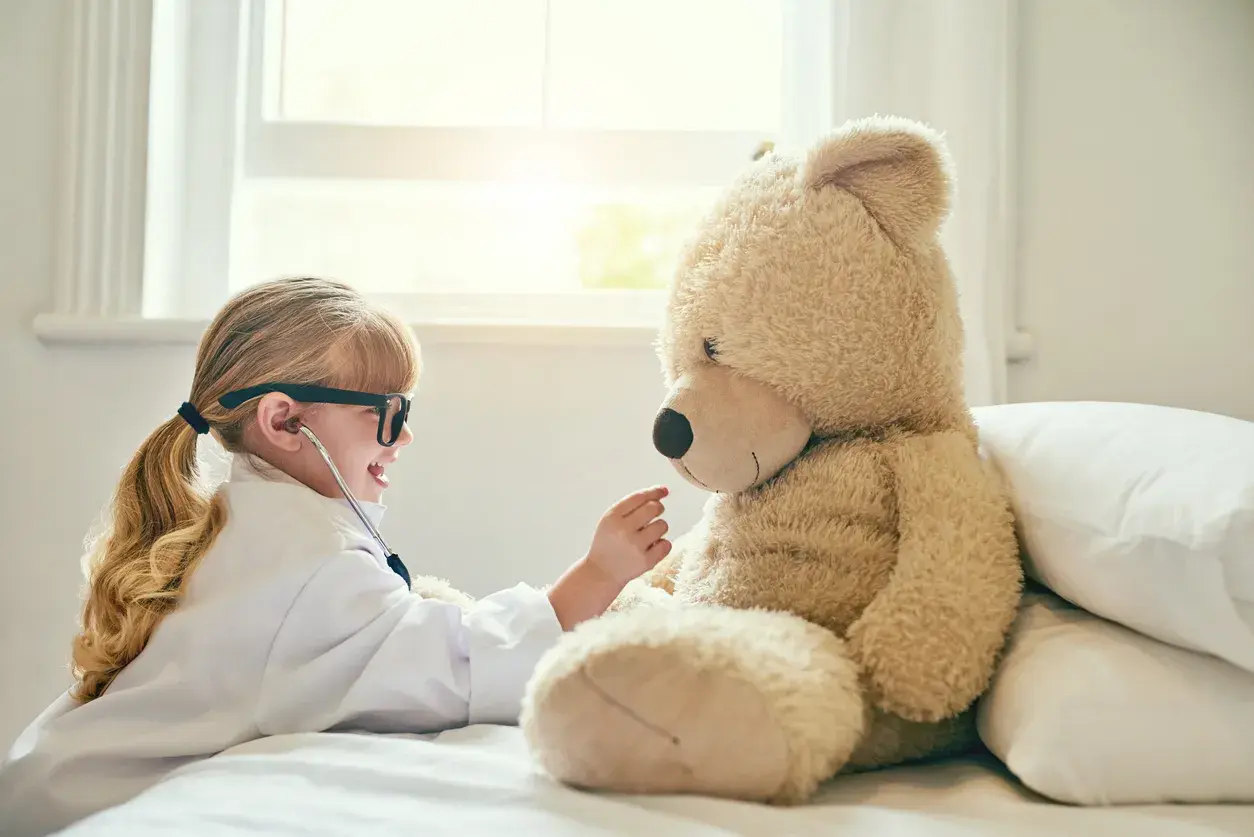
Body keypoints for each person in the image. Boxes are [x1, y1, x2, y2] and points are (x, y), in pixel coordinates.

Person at [0, 277, 671, 835]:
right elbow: (461, 664)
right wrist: (598, 574)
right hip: (72, 810)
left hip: (49, 782)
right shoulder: (306, 566)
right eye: (385, 411)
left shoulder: (245, 522)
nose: (404, 434)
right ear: (285, 420)